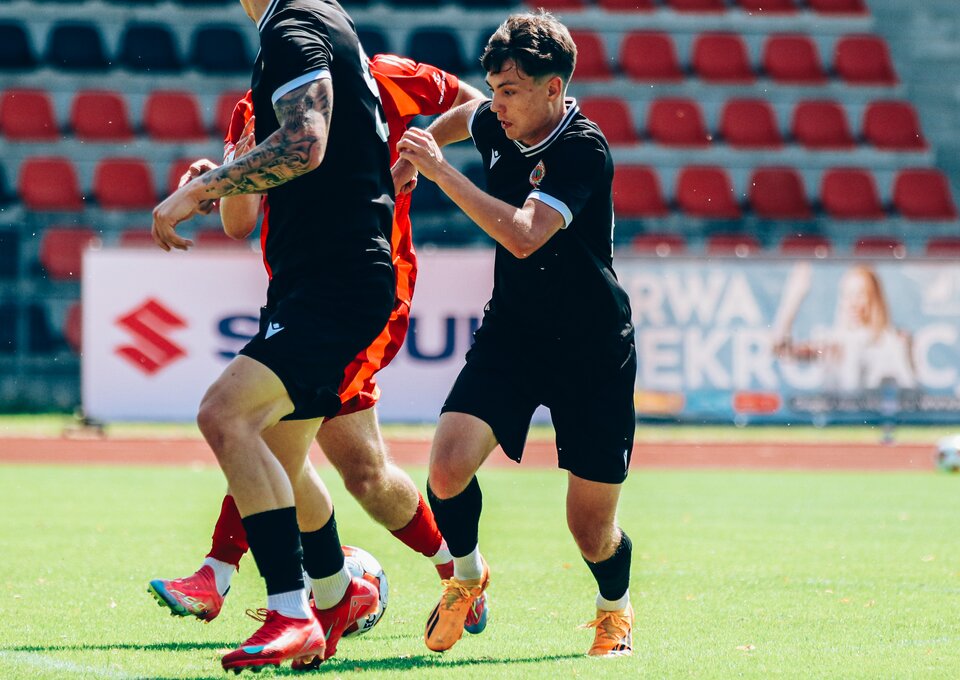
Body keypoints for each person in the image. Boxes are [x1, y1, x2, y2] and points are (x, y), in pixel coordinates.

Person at [148, 55, 488, 642]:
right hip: (299, 297)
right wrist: (225, 175)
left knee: (261, 426)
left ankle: (227, 574)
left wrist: (417, 152)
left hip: (364, 298)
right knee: (366, 473)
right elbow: (238, 223)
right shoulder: (253, 107)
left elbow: (477, 106)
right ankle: (458, 573)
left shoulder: (382, 76)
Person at [151, 0, 397, 672]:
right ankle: (335, 594)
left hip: (335, 277)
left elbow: (304, 144)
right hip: (320, 275)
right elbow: (269, 190)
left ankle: (292, 613)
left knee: (225, 415)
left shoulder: (292, 30)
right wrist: (228, 179)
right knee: (283, 456)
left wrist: (195, 192)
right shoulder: (317, 20)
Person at [394, 11, 637, 658]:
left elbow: (526, 237)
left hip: (592, 348)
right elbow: (464, 117)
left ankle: (614, 609)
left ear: (554, 89)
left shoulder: (582, 148)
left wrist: (440, 172)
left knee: (591, 532)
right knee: (446, 469)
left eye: (510, 91)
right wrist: (420, 152)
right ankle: (467, 577)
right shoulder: (495, 119)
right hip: (515, 334)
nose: (496, 105)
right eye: (494, 89)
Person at [773, 263, 916, 393]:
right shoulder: (833, 344)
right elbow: (782, 351)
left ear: (875, 298)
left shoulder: (895, 341)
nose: (852, 303)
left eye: (860, 294)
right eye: (847, 295)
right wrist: (793, 298)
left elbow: (910, 392)